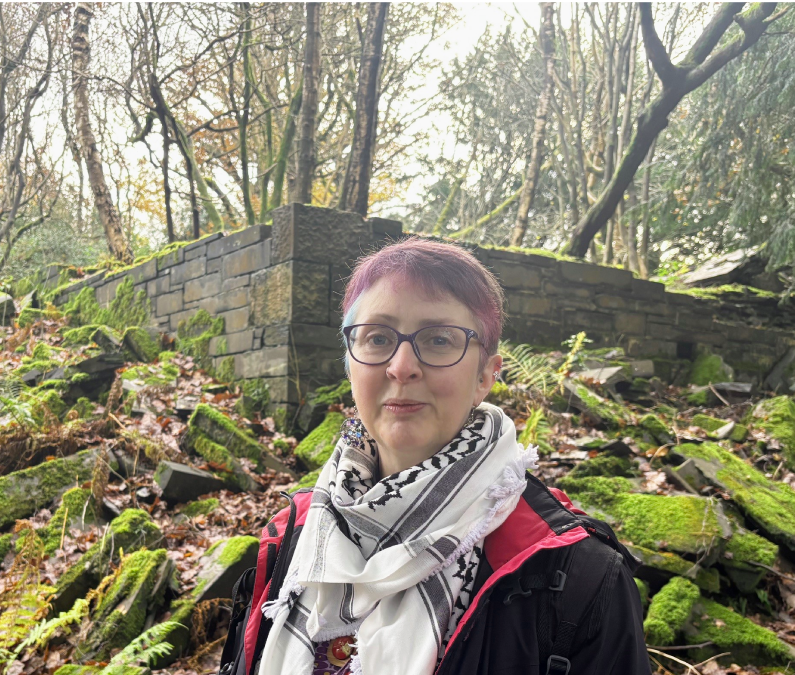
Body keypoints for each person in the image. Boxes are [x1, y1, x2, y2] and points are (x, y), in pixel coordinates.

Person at [219, 237, 650, 675]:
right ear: (350, 364)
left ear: (485, 375)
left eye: (440, 339)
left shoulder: (581, 576)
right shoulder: (292, 534)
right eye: (378, 337)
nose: (402, 366)